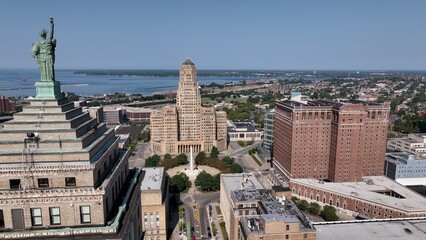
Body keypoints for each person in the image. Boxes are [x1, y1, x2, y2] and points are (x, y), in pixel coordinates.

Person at [32, 17, 56, 81]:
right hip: (48, 57)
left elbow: (34, 53)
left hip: (41, 59)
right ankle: (49, 80)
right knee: (49, 70)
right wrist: (52, 26)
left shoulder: (37, 43)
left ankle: (44, 80)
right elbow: (51, 34)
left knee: (43, 70)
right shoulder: (48, 41)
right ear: (45, 35)